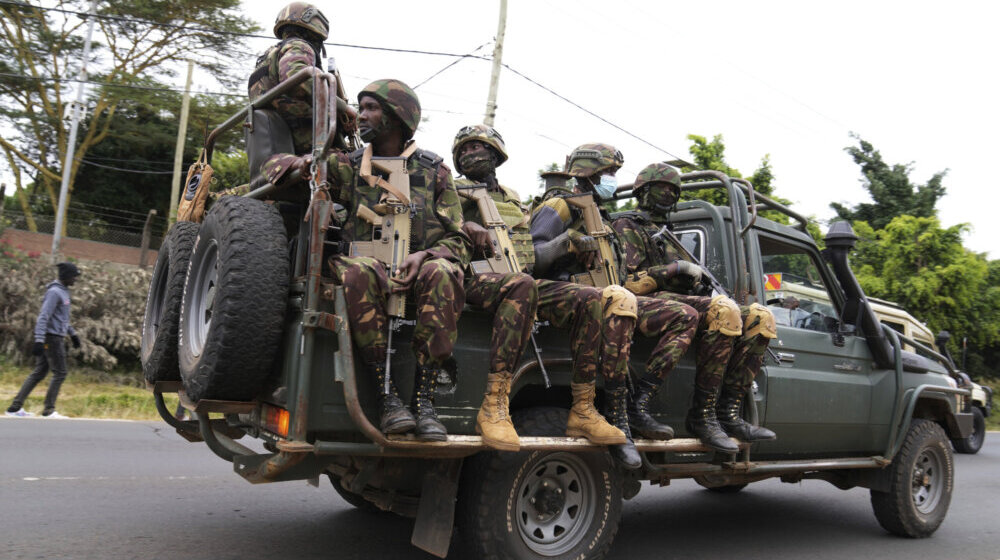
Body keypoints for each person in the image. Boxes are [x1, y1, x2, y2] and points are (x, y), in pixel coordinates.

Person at [266, 79, 470, 443]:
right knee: (360, 270)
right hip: (365, 267)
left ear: (398, 116)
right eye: (360, 107)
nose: (361, 115)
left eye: (371, 108)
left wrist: (425, 256)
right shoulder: (349, 164)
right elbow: (276, 167)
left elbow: (459, 241)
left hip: (419, 270)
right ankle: (386, 395)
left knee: (442, 271)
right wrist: (300, 163)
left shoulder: (434, 172)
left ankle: (424, 403)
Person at [451, 124, 625, 454]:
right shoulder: (451, 190)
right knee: (522, 284)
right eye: (463, 151)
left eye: (478, 148)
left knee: (591, 299)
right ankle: (495, 405)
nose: (470, 154)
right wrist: (465, 226)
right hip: (473, 276)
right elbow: (437, 222)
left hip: (521, 279)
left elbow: (534, 251)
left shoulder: (513, 199)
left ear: (496, 155)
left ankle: (583, 408)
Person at [530, 144, 700, 467]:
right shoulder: (561, 205)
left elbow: (622, 279)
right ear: (587, 172)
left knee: (685, 315)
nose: (612, 180)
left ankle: (638, 405)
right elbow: (532, 257)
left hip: (612, 300)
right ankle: (617, 414)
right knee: (621, 300)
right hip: (568, 299)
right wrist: (567, 244)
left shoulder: (603, 220)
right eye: (608, 173)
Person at [611, 162, 778, 451]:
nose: (668, 196)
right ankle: (643, 404)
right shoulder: (627, 225)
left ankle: (724, 414)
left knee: (760, 317)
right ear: (644, 191)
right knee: (722, 310)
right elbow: (629, 283)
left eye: (674, 191)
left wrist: (696, 283)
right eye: (663, 189)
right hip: (642, 302)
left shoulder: (669, 232)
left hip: (671, 300)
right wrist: (675, 268)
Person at [6, 262, 81, 418]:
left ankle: (14, 408)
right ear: (66, 276)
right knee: (60, 373)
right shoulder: (54, 292)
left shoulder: (64, 292)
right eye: (74, 276)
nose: (76, 279)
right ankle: (49, 410)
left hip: (56, 336)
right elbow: (44, 316)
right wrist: (39, 340)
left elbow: (62, 318)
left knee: (39, 372)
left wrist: (73, 334)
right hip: (51, 338)